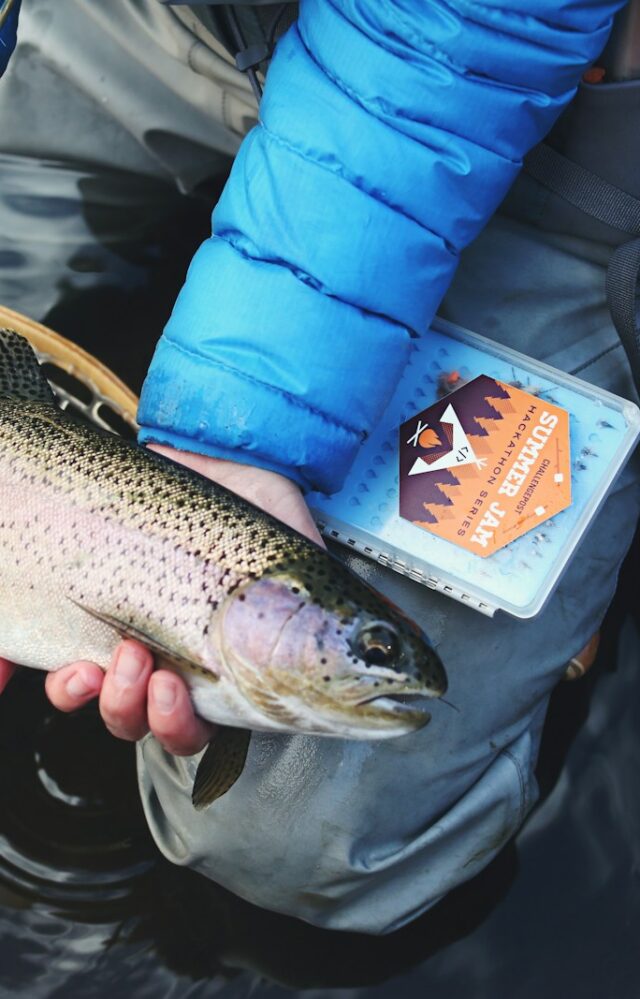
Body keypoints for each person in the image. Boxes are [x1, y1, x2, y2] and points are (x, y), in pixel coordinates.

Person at [0, 0, 638, 934]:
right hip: (188, 17)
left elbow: (442, 50)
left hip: (514, 98)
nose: (377, 663)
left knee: (295, 830)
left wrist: (241, 433)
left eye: (367, 649)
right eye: (369, 650)